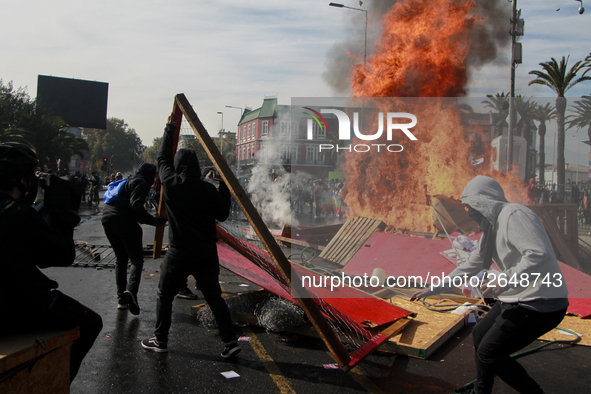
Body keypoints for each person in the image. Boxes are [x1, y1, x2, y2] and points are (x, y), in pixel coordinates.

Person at [411, 175, 568, 394]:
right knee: (479, 335)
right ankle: (481, 391)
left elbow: (537, 254)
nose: (469, 212)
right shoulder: (491, 229)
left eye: (471, 205)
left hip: (540, 303)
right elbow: (471, 265)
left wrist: (501, 281)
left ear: (486, 201)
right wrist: (434, 288)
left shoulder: (514, 214)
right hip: (517, 299)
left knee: (490, 352)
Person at [0, 142, 103, 382]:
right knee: (89, 323)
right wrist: (62, 208)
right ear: (22, 179)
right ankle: (54, 384)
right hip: (12, 304)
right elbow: (62, 255)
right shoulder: (18, 214)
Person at [141, 115, 239, 358]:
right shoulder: (207, 189)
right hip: (206, 252)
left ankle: (160, 339)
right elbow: (223, 214)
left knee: (165, 295)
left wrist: (169, 128)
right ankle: (229, 342)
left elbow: (161, 157)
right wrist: (225, 186)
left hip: (179, 252)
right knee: (214, 297)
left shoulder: (172, 184)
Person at [101, 162, 165, 314]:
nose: (155, 178)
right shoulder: (141, 183)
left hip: (107, 220)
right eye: (154, 175)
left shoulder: (126, 181)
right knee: (136, 258)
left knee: (121, 258)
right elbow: (136, 205)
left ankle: (121, 299)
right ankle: (131, 292)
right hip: (124, 221)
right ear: (149, 174)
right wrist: (153, 221)